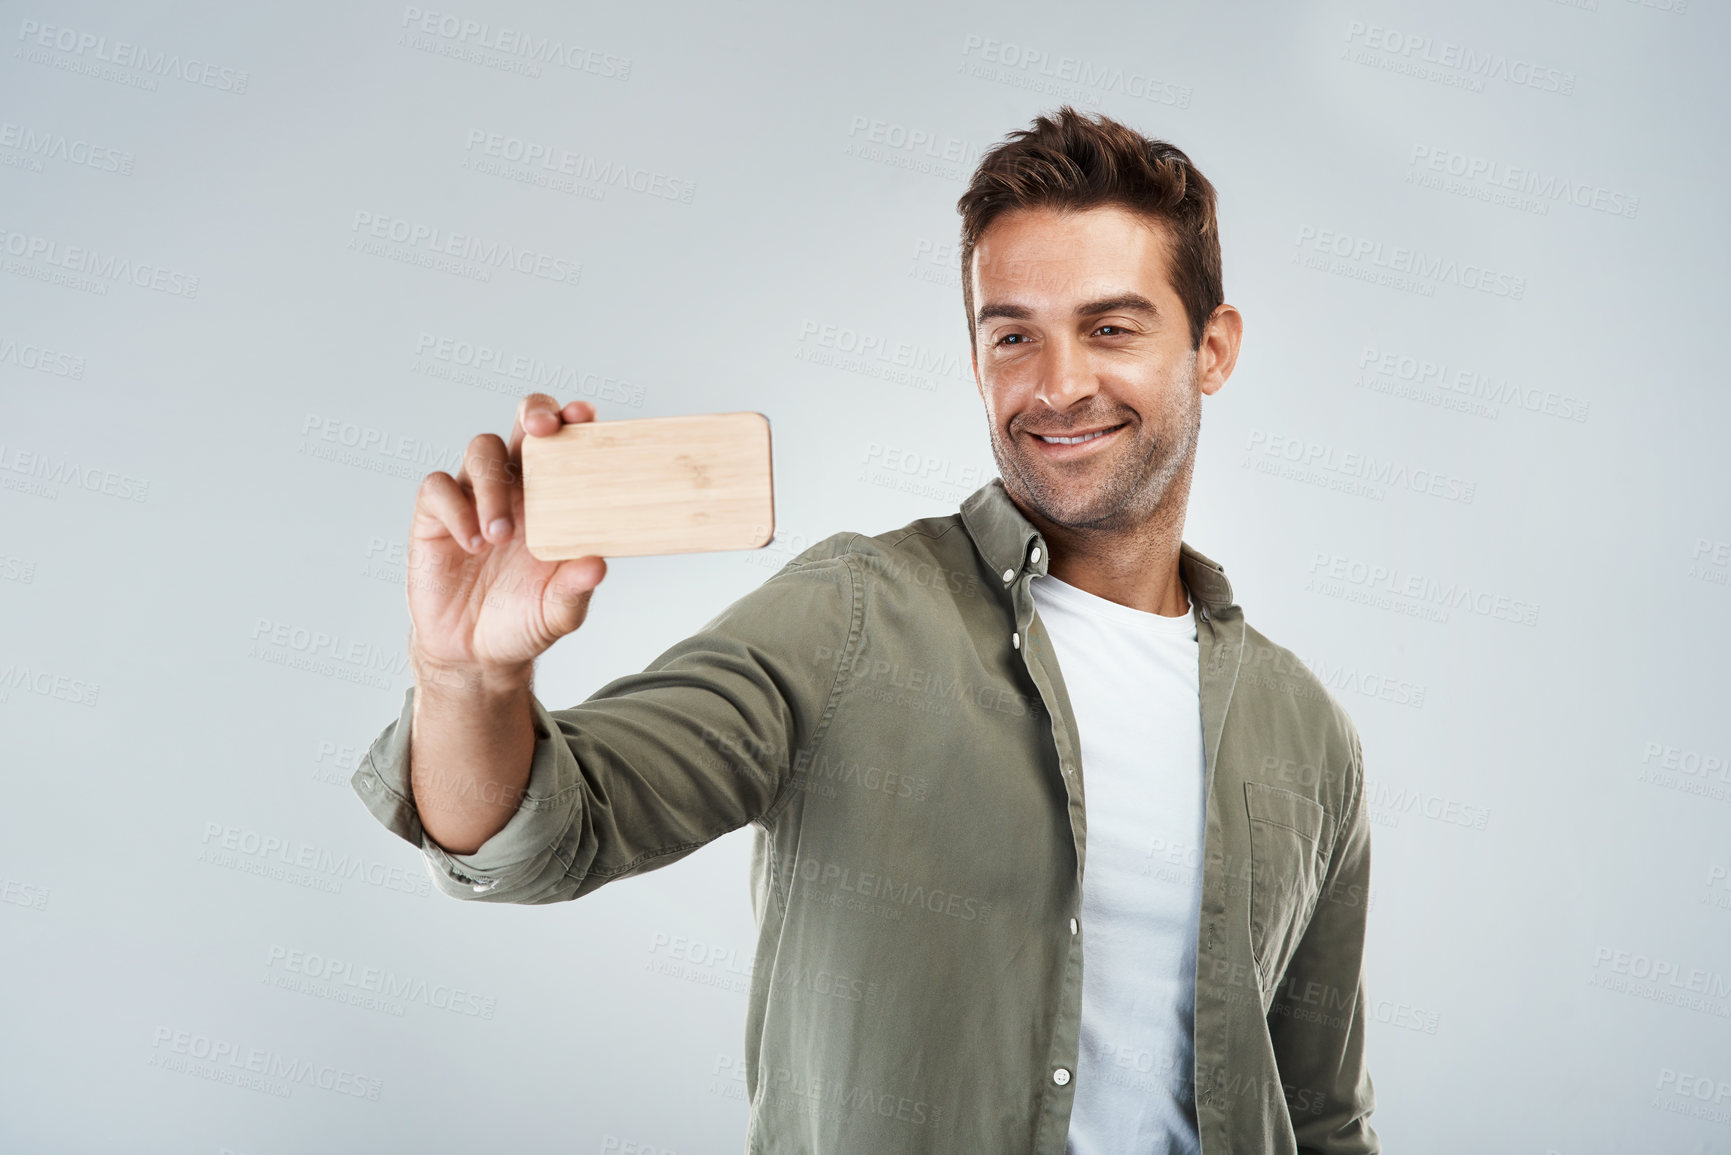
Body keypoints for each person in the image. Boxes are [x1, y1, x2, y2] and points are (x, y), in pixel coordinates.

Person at [351, 104, 1378, 1154]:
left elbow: (1324, 1115)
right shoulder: (851, 614)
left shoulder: (1307, 734)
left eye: (1110, 328)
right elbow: (541, 839)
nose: (1059, 383)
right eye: (1014, 334)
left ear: (1213, 349)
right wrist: (464, 679)